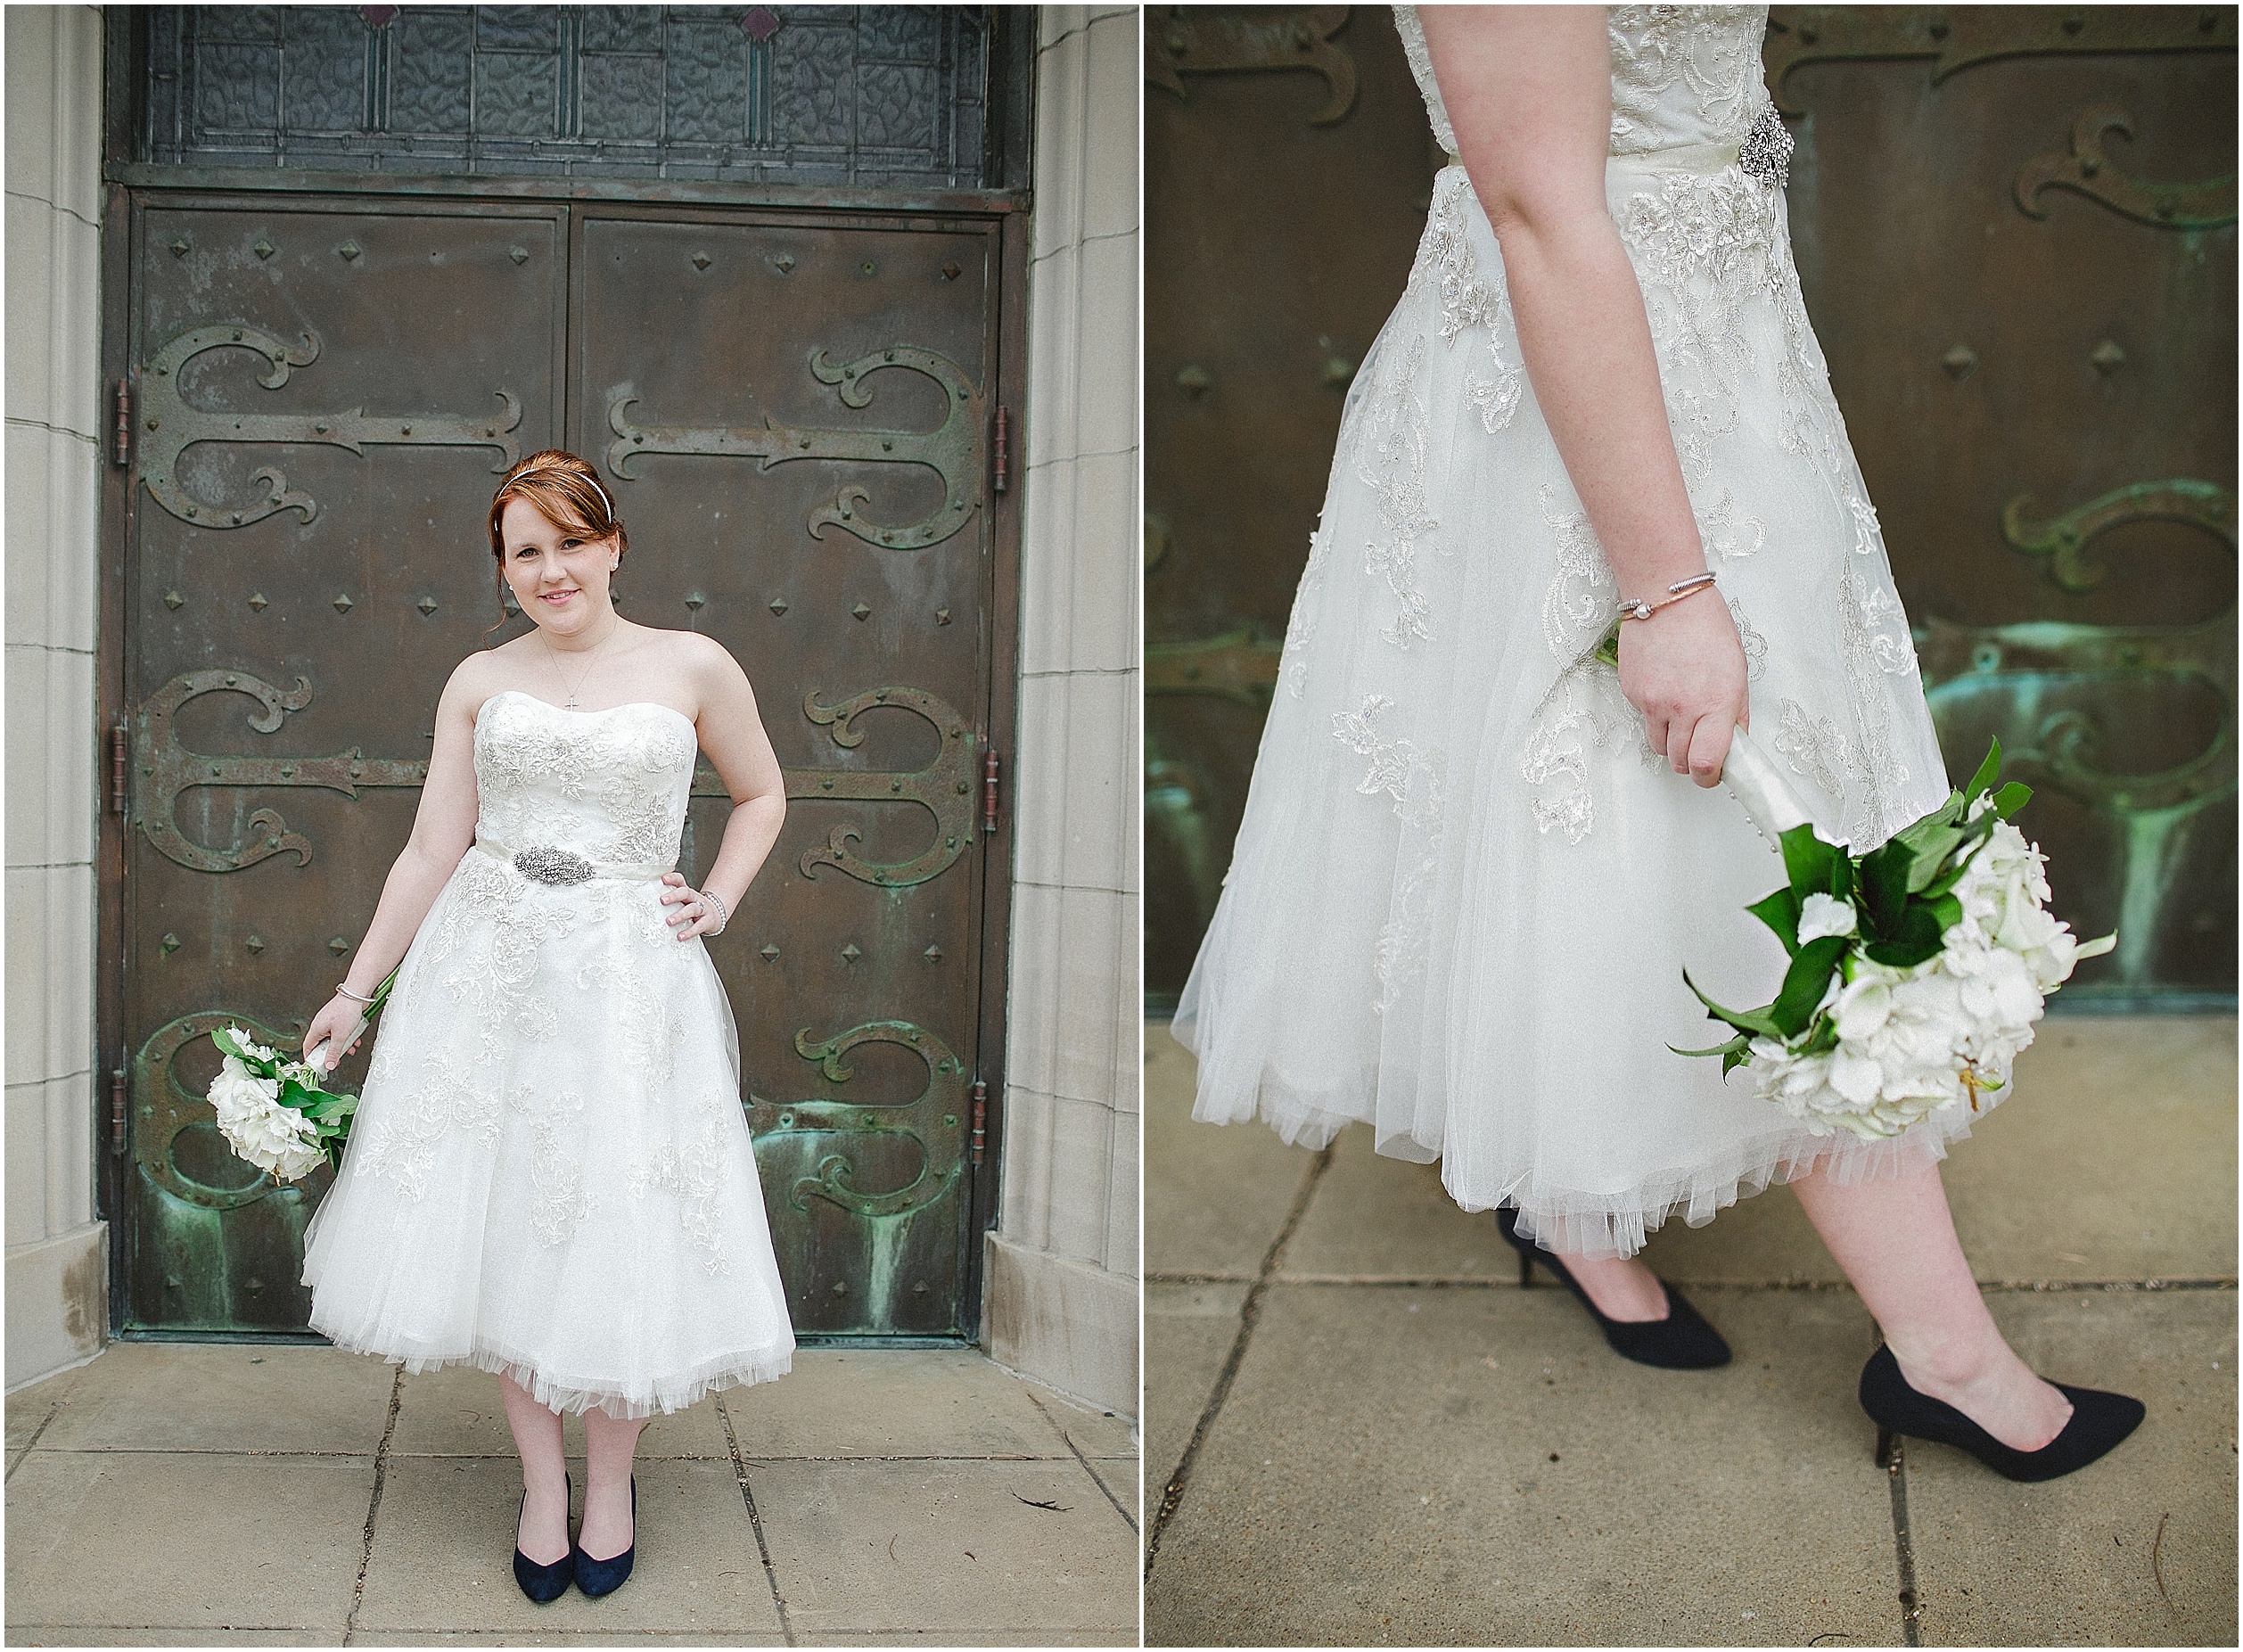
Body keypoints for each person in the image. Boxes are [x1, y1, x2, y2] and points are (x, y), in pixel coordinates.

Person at [1173, 5, 2141, 1480]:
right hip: (1597, 411)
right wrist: (1668, 585)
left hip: (1723, 356)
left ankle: (1572, 1201)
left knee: (1668, 837)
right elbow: (1540, 203)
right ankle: (1943, 1353)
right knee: (1735, 825)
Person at [299, 448, 797, 1598]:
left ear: (613, 545)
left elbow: (763, 793)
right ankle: (538, 1488)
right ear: (505, 571)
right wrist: (355, 992)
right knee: (514, 1219)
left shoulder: (693, 665)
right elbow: (433, 848)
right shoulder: (479, 680)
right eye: (527, 551)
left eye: (571, 541)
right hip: (492, 977)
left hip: (631, 982)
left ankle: (610, 1488)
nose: (551, 569)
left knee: (620, 1215)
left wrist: (715, 897)